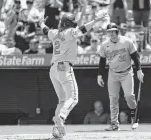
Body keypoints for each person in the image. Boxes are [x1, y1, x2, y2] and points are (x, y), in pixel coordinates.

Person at [39, 4, 108, 138]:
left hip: (53, 69)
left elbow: (45, 30)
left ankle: (56, 129)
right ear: (68, 24)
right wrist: (97, 20)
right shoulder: (69, 31)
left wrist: (41, 23)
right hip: (64, 67)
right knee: (73, 98)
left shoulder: (54, 33)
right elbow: (82, 29)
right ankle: (61, 116)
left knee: (62, 100)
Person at [97, 23, 144, 131]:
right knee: (113, 98)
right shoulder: (104, 45)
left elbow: (135, 57)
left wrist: (139, 70)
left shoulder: (126, 41)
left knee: (129, 96)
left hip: (126, 72)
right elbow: (102, 61)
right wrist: (99, 75)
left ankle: (134, 115)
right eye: (109, 32)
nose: (111, 33)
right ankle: (114, 124)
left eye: (113, 31)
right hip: (113, 73)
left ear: (117, 31)